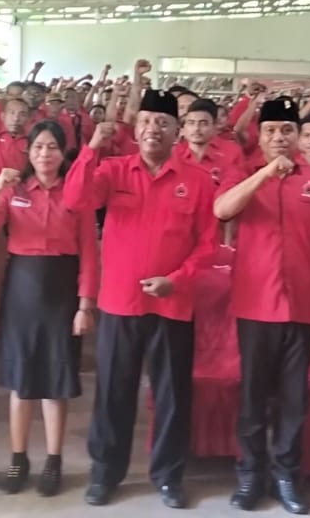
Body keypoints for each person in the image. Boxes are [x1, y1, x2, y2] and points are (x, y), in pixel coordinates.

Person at [66, 89, 216, 510]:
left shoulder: (197, 181)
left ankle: (168, 477)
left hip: (173, 304)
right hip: (120, 303)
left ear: (177, 131)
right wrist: (91, 150)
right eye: (147, 121)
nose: (154, 129)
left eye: (164, 123)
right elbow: (75, 200)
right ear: (135, 128)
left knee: (171, 396)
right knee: (113, 391)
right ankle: (105, 473)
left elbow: (208, 245)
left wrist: (176, 280)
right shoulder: (113, 170)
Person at [213, 98, 310, 514]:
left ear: (298, 135)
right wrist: (266, 172)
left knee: (293, 399)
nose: (279, 137)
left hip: (303, 306)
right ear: (260, 136)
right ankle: (251, 473)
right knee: (252, 397)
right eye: (271, 130)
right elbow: (222, 209)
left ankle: (286, 474)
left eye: (287, 130)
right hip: (256, 306)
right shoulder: (243, 175)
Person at [0, 120, 99, 498]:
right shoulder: (13, 190)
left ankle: (53, 460)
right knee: (22, 382)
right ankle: (18, 458)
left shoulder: (76, 194)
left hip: (62, 292)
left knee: (54, 384)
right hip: (22, 291)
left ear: (64, 152)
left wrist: (85, 305)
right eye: (39, 147)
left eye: (53, 147)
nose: (45, 154)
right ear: (28, 151)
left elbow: (90, 254)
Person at [179, 98, 240, 187]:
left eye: (203, 123)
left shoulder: (228, 157)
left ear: (214, 126)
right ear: (183, 127)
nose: (196, 128)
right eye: (191, 123)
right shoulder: (172, 155)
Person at [0, 97, 31, 175]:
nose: (16, 118)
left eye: (22, 115)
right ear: (2, 116)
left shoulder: (32, 142)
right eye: (12, 113)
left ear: (28, 119)